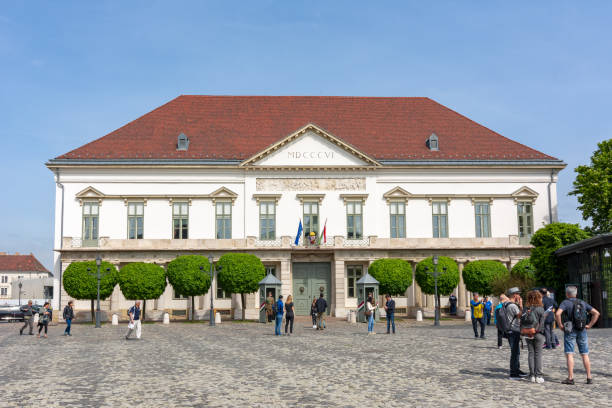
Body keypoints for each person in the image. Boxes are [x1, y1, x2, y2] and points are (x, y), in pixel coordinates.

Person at [555, 285, 600, 385]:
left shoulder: (565, 302)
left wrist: (560, 325)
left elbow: (558, 314)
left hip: (570, 329)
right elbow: (596, 313)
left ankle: (570, 378)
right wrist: (589, 325)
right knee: (585, 354)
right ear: (576, 294)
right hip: (582, 329)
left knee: (570, 353)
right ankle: (589, 377)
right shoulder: (582, 302)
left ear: (567, 294)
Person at [522, 290, 547, 384]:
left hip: (527, 333)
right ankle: (539, 375)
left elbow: (522, 321)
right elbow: (542, 323)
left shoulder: (525, 308)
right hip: (538, 333)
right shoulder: (540, 309)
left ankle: (532, 375)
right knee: (538, 354)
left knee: (531, 353)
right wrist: (537, 331)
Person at [505, 287, 528, 380]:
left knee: (516, 351)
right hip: (514, 330)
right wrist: (521, 305)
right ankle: (513, 373)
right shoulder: (513, 306)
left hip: (510, 330)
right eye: (518, 294)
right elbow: (520, 316)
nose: (519, 295)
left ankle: (517, 369)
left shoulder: (506, 304)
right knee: (515, 352)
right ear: (514, 295)